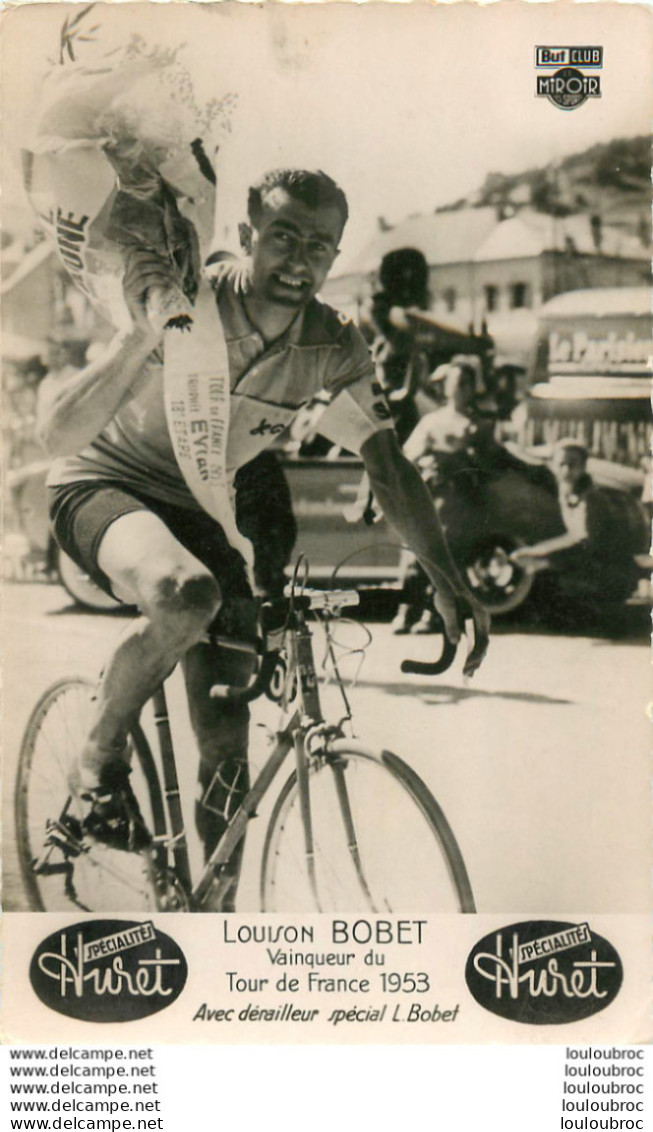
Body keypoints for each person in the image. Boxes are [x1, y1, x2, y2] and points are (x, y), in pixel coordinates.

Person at [38, 168, 489, 907]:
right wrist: (139, 337)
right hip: (104, 483)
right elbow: (55, 433)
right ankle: (98, 750)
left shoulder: (333, 344)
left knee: (225, 751)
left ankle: (210, 919)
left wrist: (446, 580)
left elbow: (388, 466)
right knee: (185, 597)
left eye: (320, 244)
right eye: (282, 236)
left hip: (205, 512)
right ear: (247, 235)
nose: (299, 259)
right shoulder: (186, 299)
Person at [510, 438, 642, 606]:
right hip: (591, 564)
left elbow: (584, 540)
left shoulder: (590, 498)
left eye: (573, 464)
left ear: (583, 466)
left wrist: (539, 555)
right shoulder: (566, 490)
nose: (566, 470)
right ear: (553, 466)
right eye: (561, 464)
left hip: (607, 573)